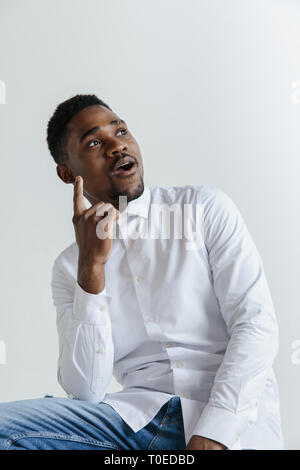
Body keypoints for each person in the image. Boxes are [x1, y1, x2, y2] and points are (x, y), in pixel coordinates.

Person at [0, 94, 284, 450]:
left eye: (120, 130)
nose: (117, 145)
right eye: (94, 142)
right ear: (67, 172)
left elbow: (256, 325)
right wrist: (92, 269)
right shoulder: (69, 266)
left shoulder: (203, 209)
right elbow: (86, 390)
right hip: (131, 424)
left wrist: (215, 432)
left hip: (234, 426)